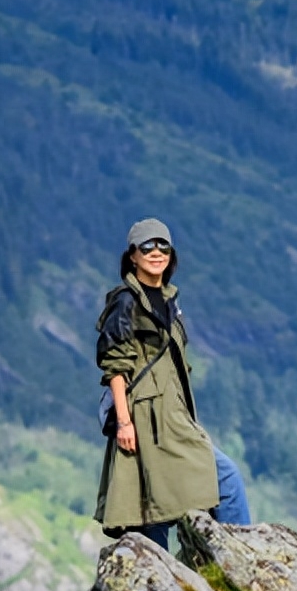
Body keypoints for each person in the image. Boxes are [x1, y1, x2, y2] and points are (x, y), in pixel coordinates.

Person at [95, 217, 250, 549]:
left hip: (173, 415)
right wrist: (124, 422)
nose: (156, 252)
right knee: (157, 505)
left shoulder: (168, 300)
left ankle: (230, 561)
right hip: (145, 419)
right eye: (147, 246)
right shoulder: (126, 302)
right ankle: (236, 556)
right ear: (132, 256)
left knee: (171, 497)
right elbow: (115, 367)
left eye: (163, 245)